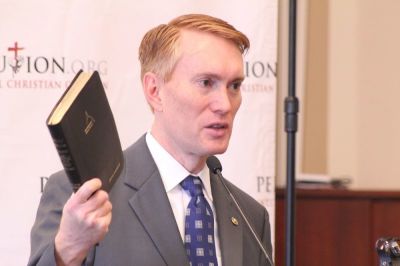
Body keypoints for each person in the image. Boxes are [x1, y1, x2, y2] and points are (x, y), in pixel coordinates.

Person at [28, 14, 273, 266]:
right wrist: (68, 249)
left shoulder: (252, 218)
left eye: (234, 86)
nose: (224, 104)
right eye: (206, 82)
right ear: (155, 91)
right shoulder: (82, 197)